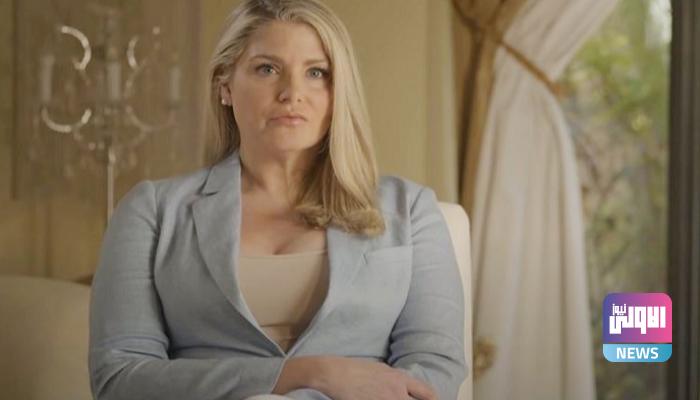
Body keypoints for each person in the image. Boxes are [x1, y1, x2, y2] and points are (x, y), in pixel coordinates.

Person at [88, 0, 467, 399]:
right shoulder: (151, 211)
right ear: (225, 86)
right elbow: (120, 378)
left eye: (316, 73)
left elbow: (433, 370)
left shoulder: (411, 209)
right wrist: (311, 374)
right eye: (267, 69)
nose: (292, 94)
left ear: (339, 91)